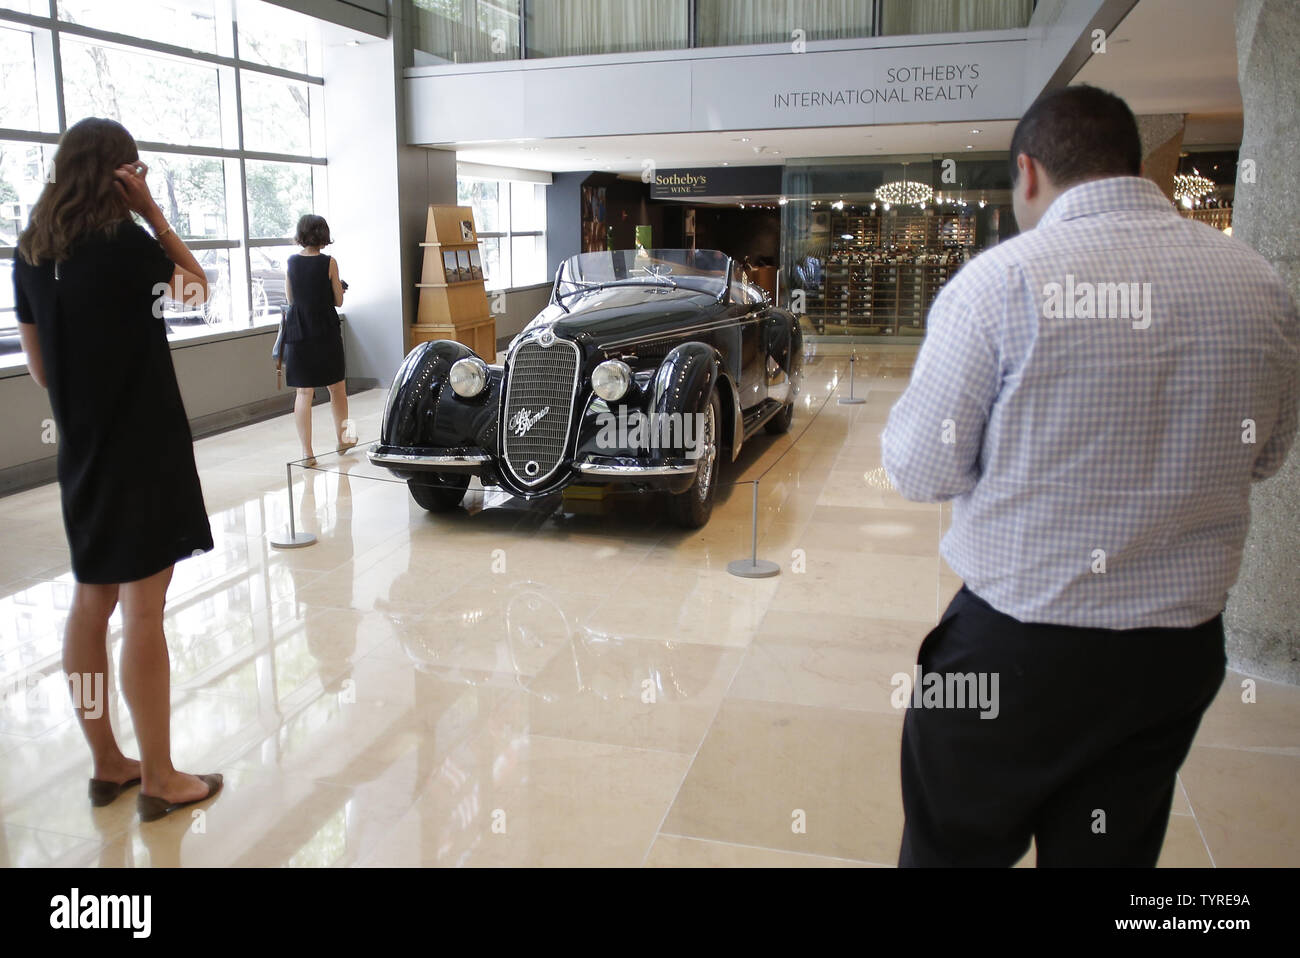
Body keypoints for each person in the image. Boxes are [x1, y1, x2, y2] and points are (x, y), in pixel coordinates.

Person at [881, 85, 1298, 867]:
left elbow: (919, 468)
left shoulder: (999, 284)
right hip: (1173, 656)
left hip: (1014, 648)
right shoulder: (1260, 288)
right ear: (1131, 164)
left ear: (1029, 173)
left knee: (950, 851)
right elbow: (1268, 455)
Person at [13, 117, 224, 822]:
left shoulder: (31, 253)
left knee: (90, 604)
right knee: (143, 611)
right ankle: (161, 775)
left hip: (82, 452)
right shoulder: (124, 243)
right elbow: (196, 291)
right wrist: (155, 215)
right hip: (145, 447)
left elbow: (41, 370)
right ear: (117, 174)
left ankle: (108, 761)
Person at [281, 214, 353, 465]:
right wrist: (339, 289)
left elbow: (291, 300)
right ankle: (345, 439)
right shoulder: (329, 262)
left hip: (298, 331)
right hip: (325, 330)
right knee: (338, 388)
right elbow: (338, 301)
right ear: (323, 234)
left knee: (303, 393)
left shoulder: (290, 262)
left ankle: (307, 453)